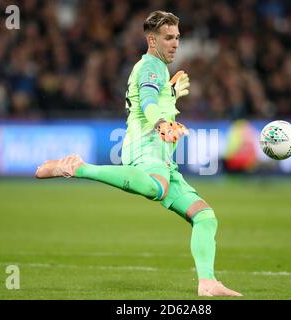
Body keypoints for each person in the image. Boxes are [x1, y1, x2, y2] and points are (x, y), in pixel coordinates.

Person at [35, 10, 242, 297]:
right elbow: (146, 100)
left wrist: (169, 95)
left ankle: (207, 283)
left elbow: (151, 96)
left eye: (178, 38)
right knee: (157, 187)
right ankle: (79, 168)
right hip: (145, 145)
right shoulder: (151, 66)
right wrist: (160, 122)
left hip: (163, 156)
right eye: (168, 38)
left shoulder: (157, 70)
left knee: (204, 216)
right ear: (151, 40)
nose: (175, 44)